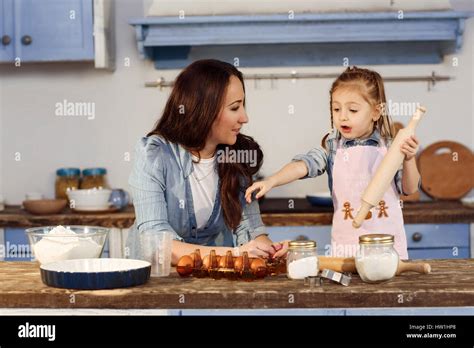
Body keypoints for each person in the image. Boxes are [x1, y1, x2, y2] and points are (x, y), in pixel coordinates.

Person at [246, 66, 421, 259]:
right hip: (347, 250)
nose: (342, 116)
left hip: (389, 250)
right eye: (336, 108)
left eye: (352, 110)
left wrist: (410, 158)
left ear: (376, 112)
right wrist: (271, 181)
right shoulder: (332, 148)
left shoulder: (391, 148)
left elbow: (409, 188)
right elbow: (303, 165)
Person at [126, 59, 284, 264]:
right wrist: (234, 254)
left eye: (243, 105)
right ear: (204, 110)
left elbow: (251, 228)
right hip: (154, 280)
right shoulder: (154, 155)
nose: (245, 118)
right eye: (235, 108)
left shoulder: (236, 156)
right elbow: (157, 243)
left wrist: (271, 250)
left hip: (209, 280)